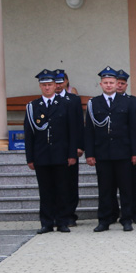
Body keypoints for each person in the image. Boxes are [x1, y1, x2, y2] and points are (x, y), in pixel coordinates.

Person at [84, 67, 136, 232]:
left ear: (117, 84)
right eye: (106, 83)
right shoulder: (93, 103)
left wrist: (135, 152)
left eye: (112, 82)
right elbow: (89, 130)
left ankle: (126, 219)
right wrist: (90, 153)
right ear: (101, 84)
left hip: (123, 152)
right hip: (102, 153)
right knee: (105, 189)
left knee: (126, 188)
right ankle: (104, 219)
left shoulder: (127, 102)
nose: (109, 85)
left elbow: (133, 128)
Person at [24, 70, 77, 234]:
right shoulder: (33, 106)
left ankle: (62, 222)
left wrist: (71, 154)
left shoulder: (65, 104)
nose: (47, 88)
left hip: (61, 154)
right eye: (44, 85)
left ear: (56, 86)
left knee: (62, 189)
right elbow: (29, 134)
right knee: (45, 191)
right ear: (40, 86)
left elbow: (72, 131)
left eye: (50, 85)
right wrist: (30, 157)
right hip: (42, 155)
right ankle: (46, 223)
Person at [116, 69, 136, 224]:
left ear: (126, 85)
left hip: (132, 150)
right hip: (116, 151)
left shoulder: (134, 101)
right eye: (117, 83)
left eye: (122, 84)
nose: (119, 86)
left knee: (133, 184)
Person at [53, 68, 83, 226]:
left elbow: (79, 124)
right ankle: (56, 213)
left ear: (66, 82)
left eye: (61, 82)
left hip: (71, 148)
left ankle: (70, 213)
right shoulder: (48, 100)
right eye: (55, 82)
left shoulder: (73, 100)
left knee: (71, 182)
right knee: (55, 183)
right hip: (53, 149)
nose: (58, 85)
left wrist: (79, 146)